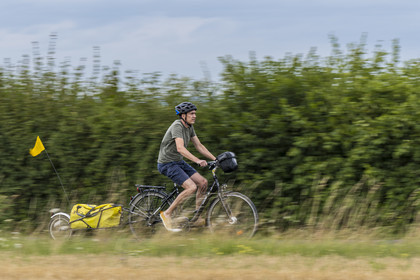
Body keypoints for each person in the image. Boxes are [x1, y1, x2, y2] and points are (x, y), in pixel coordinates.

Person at [157, 102, 216, 232]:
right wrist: (197, 160)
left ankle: (197, 217)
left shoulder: (189, 127)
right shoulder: (177, 126)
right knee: (191, 187)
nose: (194, 116)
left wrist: (215, 159)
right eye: (191, 114)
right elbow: (180, 148)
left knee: (203, 183)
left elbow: (199, 146)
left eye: (195, 113)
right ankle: (167, 213)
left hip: (178, 162)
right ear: (183, 115)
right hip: (167, 163)